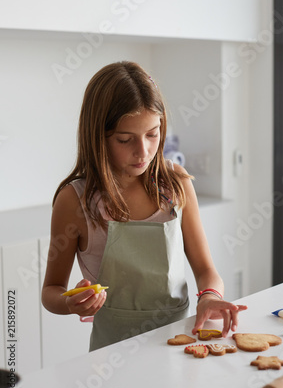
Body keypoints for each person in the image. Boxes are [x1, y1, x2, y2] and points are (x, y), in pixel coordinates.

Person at [42, 61, 247, 351]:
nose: (144, 151)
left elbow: (206, 270)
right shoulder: (75, 200)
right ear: (97, 135)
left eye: (153, 134)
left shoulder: (175, 183)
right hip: (109, 352)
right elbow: (51, 292)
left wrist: (210, 297)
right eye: (125, 139)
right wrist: (71, 303)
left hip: (177, 345)